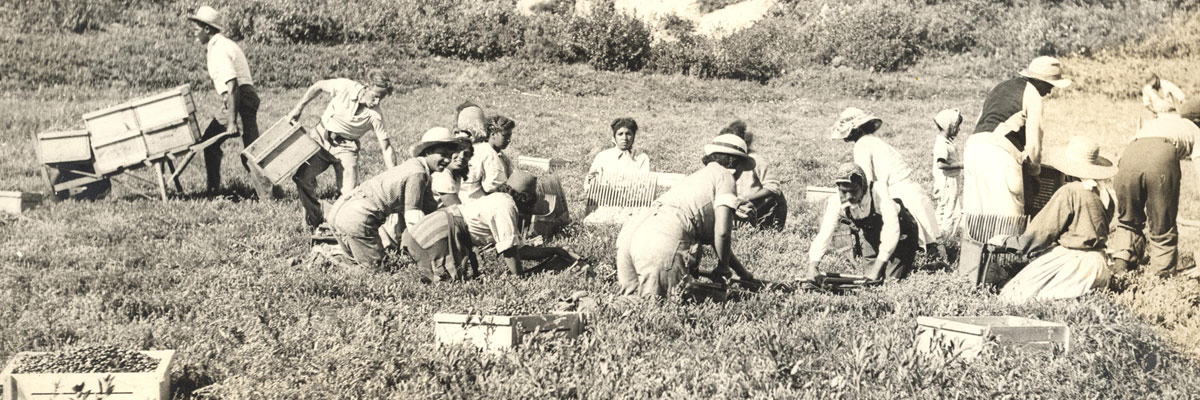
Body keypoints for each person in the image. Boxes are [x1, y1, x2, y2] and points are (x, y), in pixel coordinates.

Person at [960, 56, 1071, 281]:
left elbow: (983, 122)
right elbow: (1034, 143)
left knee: (977, 212)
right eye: (1050, 86)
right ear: (1040, 82)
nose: (1049, 92)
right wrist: (1035, 173)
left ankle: (970, 273)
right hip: (1000, 155)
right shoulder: (1033, 94)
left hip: (973, 149)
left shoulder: (999, 87)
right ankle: (1001, 277)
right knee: (1008, 215)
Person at [615, 134, 759, 298]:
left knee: (631, 301)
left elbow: (715, 238)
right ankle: (583, 309)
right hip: (661, 239)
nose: (740, 174)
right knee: (667, 305)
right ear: (733, 162)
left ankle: (588, 312)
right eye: (741, 168)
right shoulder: (725, 176)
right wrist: (723, 268)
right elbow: (723, 233)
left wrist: (743, 274)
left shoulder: (698, 177)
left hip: (632, 235)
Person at [988, 136, 1117, 302]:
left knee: (1011, 296)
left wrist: (1007, 242)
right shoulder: (1104, 194)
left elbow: (1040, 234)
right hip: (1099, 265)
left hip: (1075, 264)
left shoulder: (1070, 191)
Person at [402, 170, 576, 281]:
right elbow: (509, 251)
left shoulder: (498, 199)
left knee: (452, 279)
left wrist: (555, 250)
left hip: (423, 230)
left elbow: (520, 251)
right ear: (524, 198)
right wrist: (519, 279)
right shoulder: (506, 207)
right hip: (437, 232)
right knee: (449, 284)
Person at [325, 128, 462, 267]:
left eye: (450, 156)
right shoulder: (418, 174)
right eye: (443, 154)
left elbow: (429, 210)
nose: (447, 160)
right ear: (427, 151)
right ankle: (325, 253)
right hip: (357, 217)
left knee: (353, 263)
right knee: (378, 269)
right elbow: (414, 219)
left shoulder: (413, 166)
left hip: (340, 209)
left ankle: (328, 255)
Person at [289, 73, 397, 232]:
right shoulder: (345, 86)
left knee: (349, 195)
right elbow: (318, 85)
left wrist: (394, 173)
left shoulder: (376, 115)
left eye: (381, 98)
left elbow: (386, 147)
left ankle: (342, 229)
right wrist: (298, 108)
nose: (377, 102)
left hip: (346, 148)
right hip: (321, 140)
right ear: (366, 87)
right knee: (302, 178)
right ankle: (315, 219)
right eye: (375, 96)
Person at [1110, 98, 1200, 277]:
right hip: (1161, 157)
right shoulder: (1196, 131)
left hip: (1130, 155)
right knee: (1162, 222)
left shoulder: (1158, 122)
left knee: (1128, 218)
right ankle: (1161, 277)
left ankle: (1121, 267)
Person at [188, 6, 271, 197]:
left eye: (196, 29)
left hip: (240, 99)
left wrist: (233, 121)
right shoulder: (220, 45)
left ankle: (269, 197)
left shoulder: (219, 49)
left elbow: (232, 85)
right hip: (240, 99)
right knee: (242, 148)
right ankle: (215, 189)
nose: (194, 33)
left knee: (249, 152)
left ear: (208, 29)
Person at [831, 107, 940, 251]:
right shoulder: (872, 141)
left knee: (911, 236)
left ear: (856, 129)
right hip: (909, 188)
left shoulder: (861, 145)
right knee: (927, 238)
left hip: (899, 191)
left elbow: (865, 181)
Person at [806, 163, 921, 282]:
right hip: (872, 236)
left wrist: (876, 269)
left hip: (902, 234)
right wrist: (813, 267)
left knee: (889, 281)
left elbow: (892, 231)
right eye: (843, 191)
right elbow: (825, 233)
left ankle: (927, 265)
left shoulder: (879, 193)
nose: (849, 196)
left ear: (863, 186)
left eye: (854, 191)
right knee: (869, 282)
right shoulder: (836, 201)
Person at [720, 120, 787, 230]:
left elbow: (774, 187)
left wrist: (747, 198)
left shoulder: (755, 161)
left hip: (767, 210)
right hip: (745, 209)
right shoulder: (727, 161)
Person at [460, 116, 515, 203]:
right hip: (475, 202)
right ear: (493, 134)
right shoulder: (488, 153)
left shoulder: (479, 147)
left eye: (510, 136)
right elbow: (492, 186)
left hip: (465, 197)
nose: (509, 140)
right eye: (505, 136)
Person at [932, 109, 964, 237]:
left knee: (951, 208)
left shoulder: (946, 142)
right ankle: (944, 236)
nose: (959, 129)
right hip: (947, 182)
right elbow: (941, 164)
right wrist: (961, 165)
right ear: (949, 127)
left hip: (951, 181)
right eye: (957, 126)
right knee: (948, 210)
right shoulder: (942, 144)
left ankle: (943, 234)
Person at [430, 133, 473, 208]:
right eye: (457, 152)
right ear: (449, 154)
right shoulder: (442, 174)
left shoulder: (456, 175)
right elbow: (457, 209)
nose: (461, 157)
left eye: (466, 154)